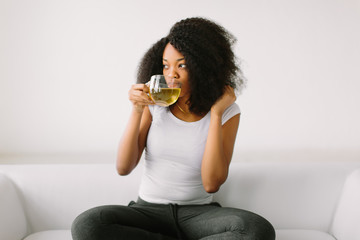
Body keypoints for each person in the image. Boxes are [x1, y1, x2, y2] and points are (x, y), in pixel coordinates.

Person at [71, 17, 275, 240]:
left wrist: (215, 114)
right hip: (147, 211)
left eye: (182, 65)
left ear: (204, 67)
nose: (171, 74)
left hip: (198, 215)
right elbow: (123, 167)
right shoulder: (155, 105)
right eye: (166, 65)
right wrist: (137, 109)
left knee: (257, 230)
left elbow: (211, 183)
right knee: (88, 225)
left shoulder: (227, 112)